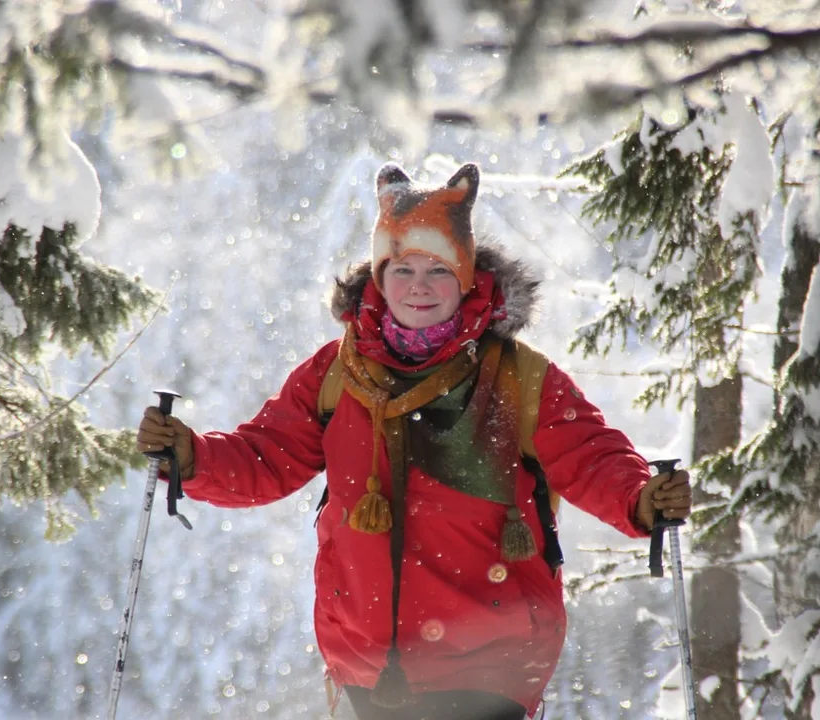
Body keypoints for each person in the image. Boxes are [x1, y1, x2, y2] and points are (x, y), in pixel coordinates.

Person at [136, 161, 692, 720]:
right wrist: (191, 455)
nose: (419, 287)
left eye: (438, 270)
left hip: (489, 663)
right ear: (379, 276)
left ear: (466, 276)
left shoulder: (517, 377)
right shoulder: (337, 373)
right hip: (368, 663)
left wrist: (640, 497)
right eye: (402, 269)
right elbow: (266, 456)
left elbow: (590, 455)